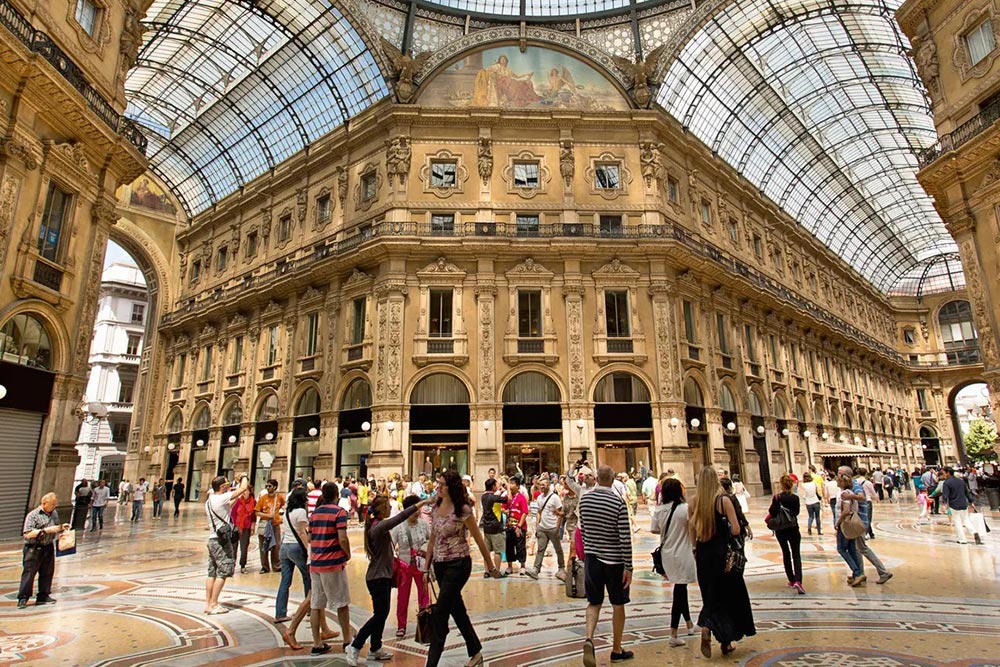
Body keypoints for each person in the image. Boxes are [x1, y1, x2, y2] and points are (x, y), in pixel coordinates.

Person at [423, 470, 500, 667]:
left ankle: (431, 663)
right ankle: (475, 652)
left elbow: (478, 538)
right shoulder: (436, 506)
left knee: (441, 613)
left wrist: (490, 564)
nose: (438, 486)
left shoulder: (463, 509)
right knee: (457, 611)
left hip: (458, 564)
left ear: (452, 487)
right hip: (439, 565)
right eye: (437, 483)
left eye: (442, 484)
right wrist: (426, 567)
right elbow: (433, 538)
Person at [346, 494, 432, 665]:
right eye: (386, 507)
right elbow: (400, 518)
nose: (389, 510)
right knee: (380, 615)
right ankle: (355, 645)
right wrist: (422, 503)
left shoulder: (377, 525)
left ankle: (376, 647)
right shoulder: (378, 527)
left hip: (382, 576)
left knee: (381, 613)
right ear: (379, 510)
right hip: (377, 577)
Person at [690, 466, 755, 658]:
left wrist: (694, 549)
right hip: (721, 553)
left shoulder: (693, 502)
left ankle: (708, 626)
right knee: (727, 596)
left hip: (702, 553)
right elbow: (735, 529)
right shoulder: (723, 500)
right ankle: (724, 641)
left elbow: (691, 529)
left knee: (709, 594)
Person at [579, 465, 634, 666]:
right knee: (618, 604)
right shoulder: (618, 502)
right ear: (612, 480)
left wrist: (590, 549)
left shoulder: (585, 500)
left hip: (592, 558)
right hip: (614, 561)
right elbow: (624, 537)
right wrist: (629, 566)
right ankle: (617, 649)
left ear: (597, 479)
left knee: (594, 602)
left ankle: (589, 638)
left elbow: (582, 529)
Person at [308, 481, 353, 655]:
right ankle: (347, 640)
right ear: (336, 495)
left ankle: (317, 643)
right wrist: (347, 553)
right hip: (333, 562)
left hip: (316, 563)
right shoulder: (339, 512)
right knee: (342, 602)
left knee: (316, 604)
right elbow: (342, 538)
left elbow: (310, 538)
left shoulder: (315, 513)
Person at [650, 478, 696, 647]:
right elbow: (694, 527)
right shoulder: (685, 509)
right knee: (679, 591)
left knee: (680, 588)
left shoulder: (659, 509)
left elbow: (654, 529)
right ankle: (673, 633)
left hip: (667, 555)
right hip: (683, 553)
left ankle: (690, 625)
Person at [839, 465, 893, 584]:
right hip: (858, 520)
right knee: (857, 548)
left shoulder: (855, 484)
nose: (838, 475)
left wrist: (849, 496)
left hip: (859, 521)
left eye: (840, 473)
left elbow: (862, 497)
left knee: (862, 548)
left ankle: (883, 572)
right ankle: (859, 573)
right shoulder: (851, 484)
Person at [205, 474, 249, 614]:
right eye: (226, 486)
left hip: (212, 539)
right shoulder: (220, 497)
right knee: (223, 571)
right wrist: (244, 476)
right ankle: (214, 603)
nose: (228, 487)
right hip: (221, 541)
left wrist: (236, 497)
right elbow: (244, 488)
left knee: (212, 572)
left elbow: (229, 505)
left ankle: (208, 604)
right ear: (222, 487)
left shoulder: (210, 500)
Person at [18, 492, 70, 608]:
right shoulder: (33, 515)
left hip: (48, 546)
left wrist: (62, 528)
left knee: (47, 572)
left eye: (55, 505)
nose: (54, 507)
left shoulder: (54, 513)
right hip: (34, 548)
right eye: (52, 505)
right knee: (29, 573)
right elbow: (27, 534)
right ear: (44, 503)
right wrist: (45, 531)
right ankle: (23, 597)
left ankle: (43, 595)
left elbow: (55, 527)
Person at [393, 494, 432, 637]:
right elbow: (391, 545)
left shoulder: (423, 525)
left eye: (419, 509)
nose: (417, 512)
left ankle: (425, 623)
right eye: (415, 509)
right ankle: (401, 625)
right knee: (402, 596)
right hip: (404, 567)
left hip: (421, 565)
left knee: (424, 595)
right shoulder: (398, 527)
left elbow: (431, 541)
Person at [275, 488, 310, 623]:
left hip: (285, 547)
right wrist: (308, 550)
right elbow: (302, 532)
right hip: (296, 547)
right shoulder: (301, 512)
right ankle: (309, 608)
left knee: (285, 581)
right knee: (307, 577)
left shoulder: (287, 512)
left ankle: (280, 612)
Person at [769, 475, 804, 594]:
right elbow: (796, 512)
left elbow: (772, 512)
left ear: (781, 485)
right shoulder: (795, 498)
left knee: (786, 553)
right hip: (793, 528)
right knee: (796, 555)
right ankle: (798, 581)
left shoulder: (777, 497)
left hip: (781, 530)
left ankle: (791, 579)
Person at [526, 475, 565, 580]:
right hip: (542, 528)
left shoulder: (555, 497)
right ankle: (536, 569)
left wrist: (557, 527)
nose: (541, 487)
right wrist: (538, 525)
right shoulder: (539, 497)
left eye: (543, 485)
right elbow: (539, 511)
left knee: (558, 549)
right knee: (540, 549)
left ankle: (561, 568)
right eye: (540, 485)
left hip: (553, 528)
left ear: (548, 485)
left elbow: (561, 513)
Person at [835, 474, 865, 586]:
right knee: (852, 549)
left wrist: (838, 522)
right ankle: (857, 573)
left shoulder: (845, 494)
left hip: (845, 523)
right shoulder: (851, 492)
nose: (837, 482)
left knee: (841, 548)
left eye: (838, 480)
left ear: (842, 483)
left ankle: (857, 573)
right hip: (851, 523)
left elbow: (846, 510)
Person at [941, 466, 981, 544]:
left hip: (954, 504)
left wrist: (944, 504)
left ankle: (962, 539)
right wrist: (971, 501)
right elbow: (967, 492)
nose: (944, 475)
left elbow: (945, 495)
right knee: (966, 519)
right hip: (963, 503)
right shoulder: (961, 481)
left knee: (957, 521)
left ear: (948, 473)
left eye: (944, 473)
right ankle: (974, 531)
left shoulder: (947, 482)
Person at [478, 478, 507, 577]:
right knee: (497, 551)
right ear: (493, 486)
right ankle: (497, 572)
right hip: (496, 527)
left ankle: (487, 571)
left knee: (487, 551)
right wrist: (508, 490)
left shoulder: (483, 497)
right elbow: (508, 499)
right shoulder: (493, 498)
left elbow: (495, 495)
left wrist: (499, 490)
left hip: (486, 527)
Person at [256, 479, 285, 573]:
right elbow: (257, 512)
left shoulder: (280, 497)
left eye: (270, 486)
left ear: (275, 487)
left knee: (276, 546)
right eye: (267, 486)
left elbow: (282, 506)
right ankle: (264, 567)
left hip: (275, 525)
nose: (268, 488)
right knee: (263, 546)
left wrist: (277, 517)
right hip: (264, 525)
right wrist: (267, 516)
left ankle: (276, 566)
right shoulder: (263, 498)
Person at [503, 476, 528, 576]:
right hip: (509, 526)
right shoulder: (507, 497)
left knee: (520, 546)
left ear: (517, 486)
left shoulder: (521, 497)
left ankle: (522, 566)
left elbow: (525, 512)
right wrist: (505, 511)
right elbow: (502, 508)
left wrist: (519, 526)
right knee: (509, 546)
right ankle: (509, 566)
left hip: (519, 527)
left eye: (512, 484)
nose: (509, 485)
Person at [231, 482, 256, 574]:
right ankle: (232, 565)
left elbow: (253, 516)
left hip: (246, 527)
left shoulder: (253, 502)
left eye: (246, 490)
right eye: (243, 490)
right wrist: (234, 525)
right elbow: (233, 514)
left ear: (250, 491)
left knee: (244, 547)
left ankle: (243, 565)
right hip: (236, 526)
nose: (244, 492)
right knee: (233, 547)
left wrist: (253, 526)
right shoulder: (237, 501)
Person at [800, 471, 823, 536]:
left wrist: (805, 497)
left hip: (808, 503)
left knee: (811, 516)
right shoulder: (814, 483)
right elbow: (816, 491)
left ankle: (809, 527)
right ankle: (819, 531)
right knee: (817, 517)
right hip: (816, 501)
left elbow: (804, 495)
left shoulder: (803, 485)